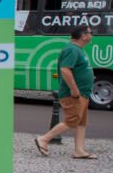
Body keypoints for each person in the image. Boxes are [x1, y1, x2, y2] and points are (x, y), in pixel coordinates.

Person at [35, 25, 98, 159]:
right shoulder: (72, 50)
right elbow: (65, 70)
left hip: (82, 93)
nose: (92, 35)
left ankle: (79, 150)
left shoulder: (78, 50)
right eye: (91, 33)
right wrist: (74, 90)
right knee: (72, 121)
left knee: (81, 122)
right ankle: (44, 139)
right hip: (74, 94)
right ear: (83, 35)